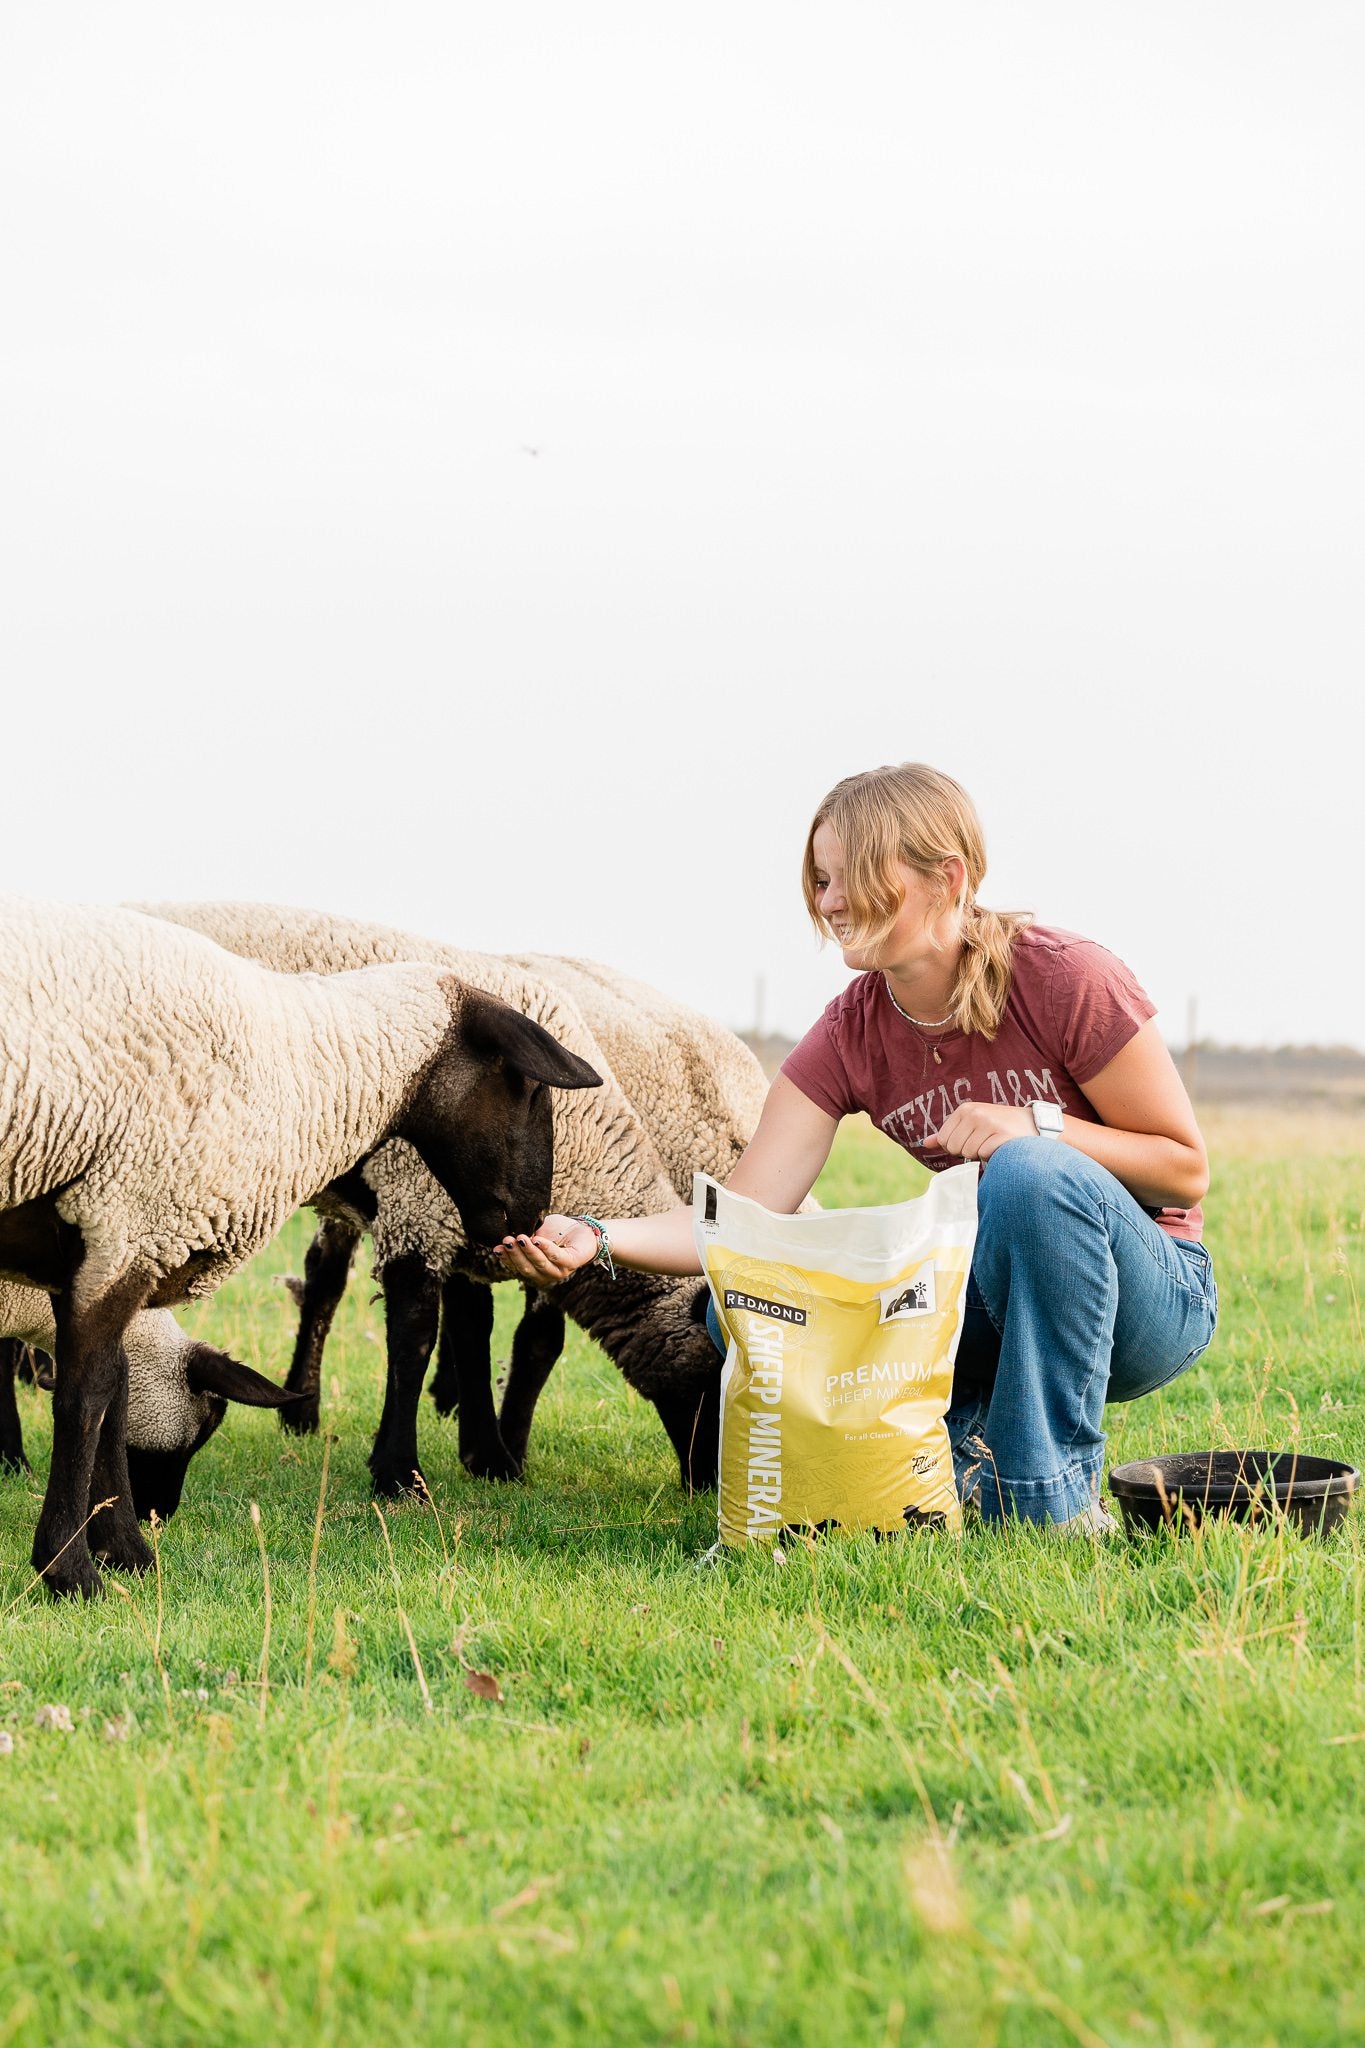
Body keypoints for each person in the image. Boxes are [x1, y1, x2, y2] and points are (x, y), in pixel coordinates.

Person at [496, 762, 1217, 1529]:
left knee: (1029, 1175)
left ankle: (1044, 1504)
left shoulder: (1065, 978)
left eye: (856, 876)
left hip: (1145, 1298)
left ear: (948, 878)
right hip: (991, 1295)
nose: (829, 901)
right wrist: (596, 1238)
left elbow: (1182, 1170)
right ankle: (945, 1464)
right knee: (755, 1295)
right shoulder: (851, 1031)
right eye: (819, 878)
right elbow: (741, 1217)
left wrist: (1033, 1125)